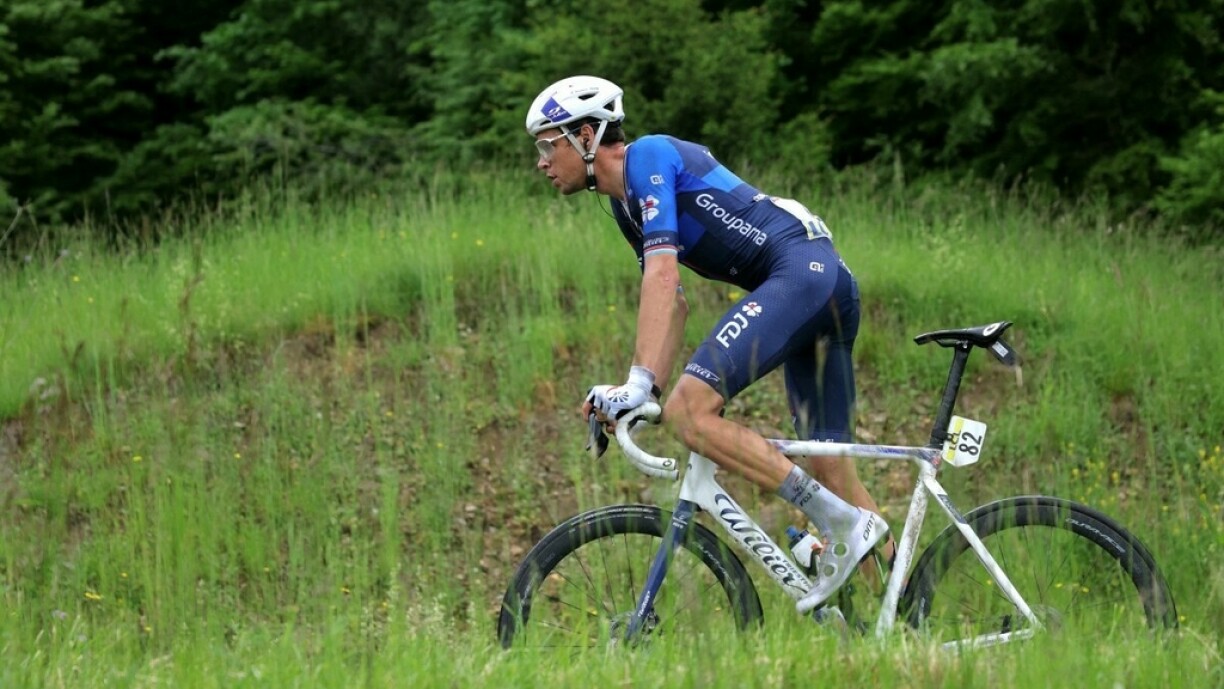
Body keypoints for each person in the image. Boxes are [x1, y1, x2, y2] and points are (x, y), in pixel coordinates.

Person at [526, 75, 891, 614]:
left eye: (547, 144)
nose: (541, 161)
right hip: (823, 284)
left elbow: (662, 273)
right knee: (830, 468)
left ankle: (839, 523)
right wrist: (642, 389)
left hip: (802, 274)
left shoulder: (647, 156)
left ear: (585, 136)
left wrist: (637, 386)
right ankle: (904, 625)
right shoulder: (628, 207)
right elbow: (672, 299)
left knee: (692, 413)